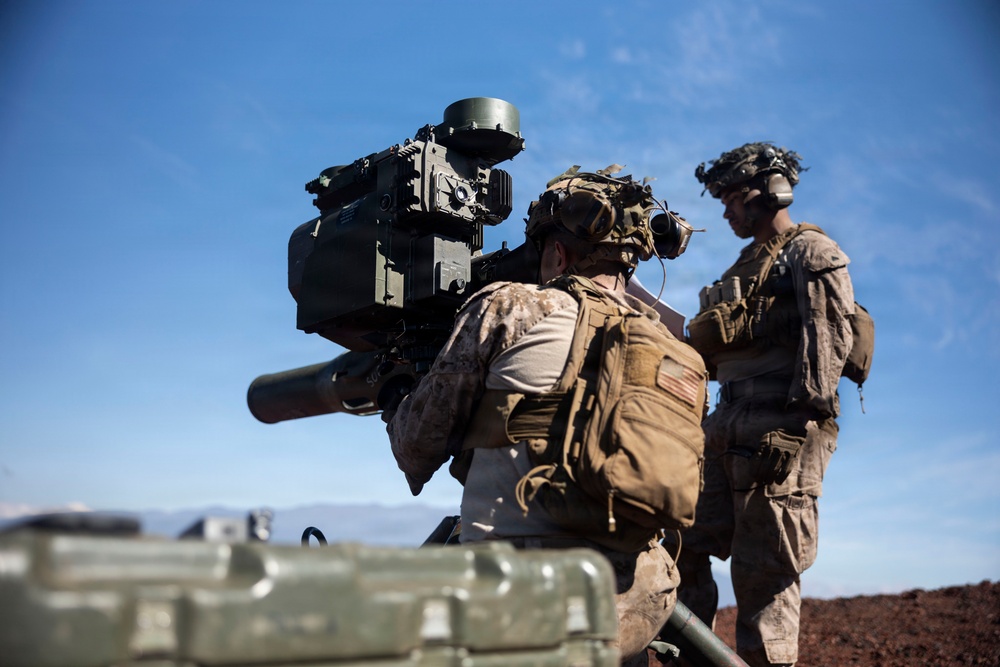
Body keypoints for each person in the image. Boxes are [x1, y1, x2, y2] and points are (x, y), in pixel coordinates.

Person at [387, 166, 704, 665]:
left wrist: (397, 400)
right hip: (634, 600)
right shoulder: (675, 354)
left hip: (526, 598)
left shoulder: (512, 306)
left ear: (556, 253)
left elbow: (417, 445)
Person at [674, 142, 856, 667]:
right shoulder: (744, 264)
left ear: (774, 191)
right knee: (681, 544)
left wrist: (799, 424)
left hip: (780, 425)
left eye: (734, 197)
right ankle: (695, 657)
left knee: (765, 569)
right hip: (725, 423)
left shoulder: (812, 252)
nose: (727, 210)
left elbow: (829, 340)